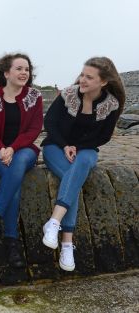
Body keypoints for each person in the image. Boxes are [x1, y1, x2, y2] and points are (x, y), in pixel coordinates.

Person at [41, 57, 125, 271]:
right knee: (74, 178)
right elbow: (49, 123)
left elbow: (104, 136)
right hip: (55, 147)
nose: (83, 79)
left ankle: (54, 222)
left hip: (86, 149)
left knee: (83, 163)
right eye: (82, 74)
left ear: (103, 82)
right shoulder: (69, 94)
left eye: (89, 77)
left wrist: (77, 147)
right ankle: (67, 243)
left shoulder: (110, 104)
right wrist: (65, 144)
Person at [0, 53, 43, 268]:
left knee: (17, 165)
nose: (24, 72)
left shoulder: (34, 96)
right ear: (6, 73)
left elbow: (34, 129)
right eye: (19, 68)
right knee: (13, 183)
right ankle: (11, 241)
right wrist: (1, 148)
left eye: (26, 69)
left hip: (24, 150)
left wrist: (12, 148)